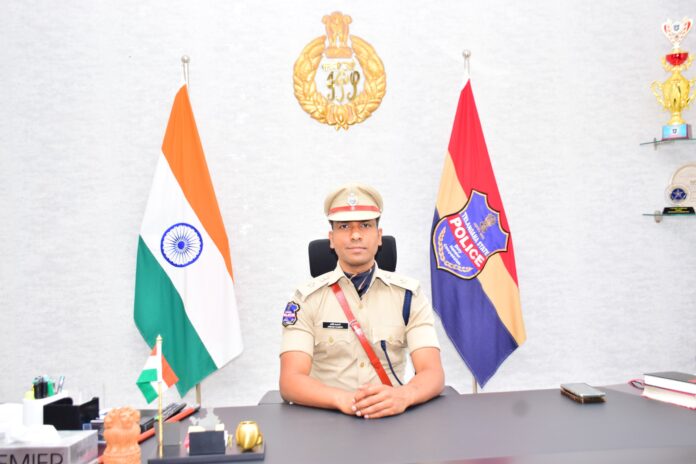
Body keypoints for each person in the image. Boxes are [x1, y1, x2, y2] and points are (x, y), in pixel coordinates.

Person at [279, 183, 444, 419]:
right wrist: (342, 399)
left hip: (391, 419)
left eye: (365, 225)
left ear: (379, 237)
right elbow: (290, 381)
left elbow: (433, 372)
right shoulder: (306, 299)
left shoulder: (408, 295)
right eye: (344, 226)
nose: (355, 235)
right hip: (327, 421)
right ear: (331, 239)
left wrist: (404, 396)